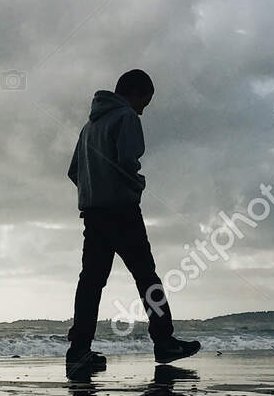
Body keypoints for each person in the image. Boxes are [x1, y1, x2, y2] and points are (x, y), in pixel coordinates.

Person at [64, 69, 200, 379]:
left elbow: (74, 172)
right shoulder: (125, 117)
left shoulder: (89, 126)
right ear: (134, 93)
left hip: (94, 214)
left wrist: (93, 190)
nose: (142, 110)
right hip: (122, 211)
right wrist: (136, 184)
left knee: (91, 283)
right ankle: (164, 342)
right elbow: (128, 160)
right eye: (144, 102)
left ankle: (78, 352)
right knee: (146, 276)